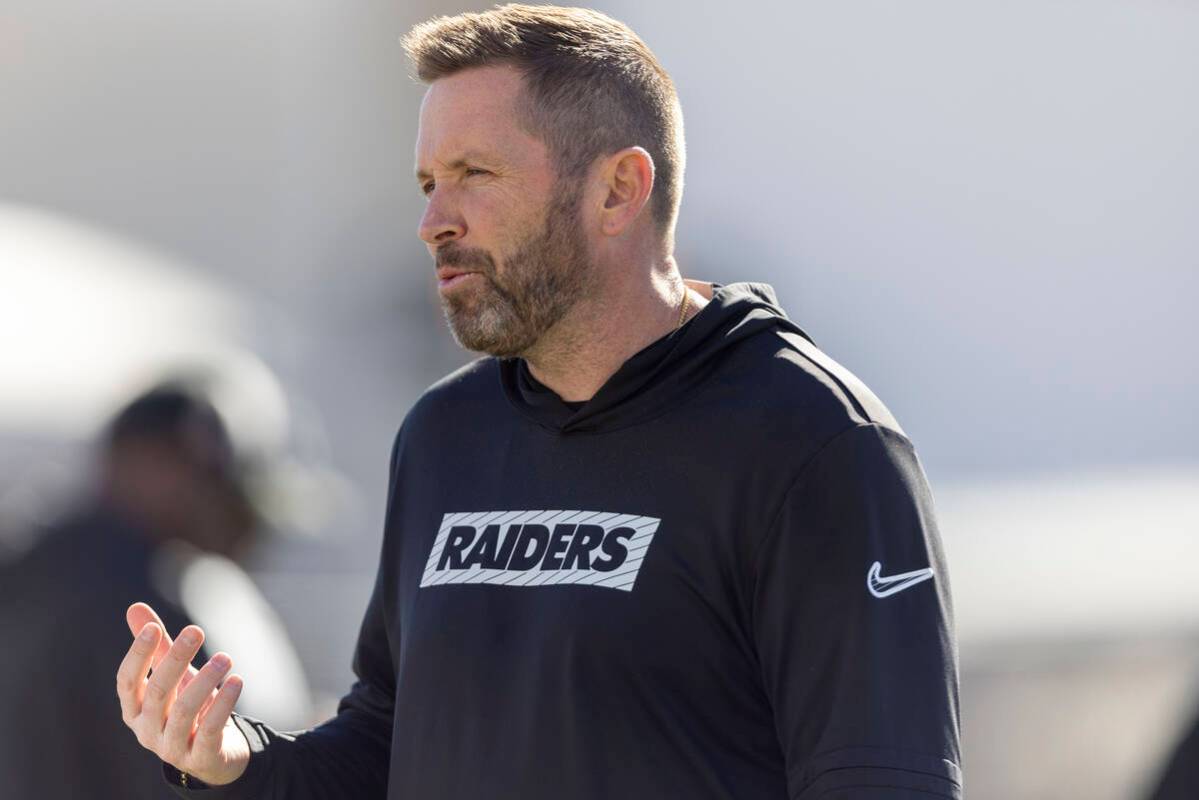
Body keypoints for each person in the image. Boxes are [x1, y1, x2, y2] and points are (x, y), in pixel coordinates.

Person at [116, 5, 962, 798]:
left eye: (473, 175)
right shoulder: (444, 434)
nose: (434, 221)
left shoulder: (813, 443)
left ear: (618, 191)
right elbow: (387, 735)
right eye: (426, 184)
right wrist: (238, 763)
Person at [0, 385, 258, 799]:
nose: (226, 502)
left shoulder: (31, 567)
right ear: (143, 460)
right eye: (206, 474)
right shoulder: (143, 602)